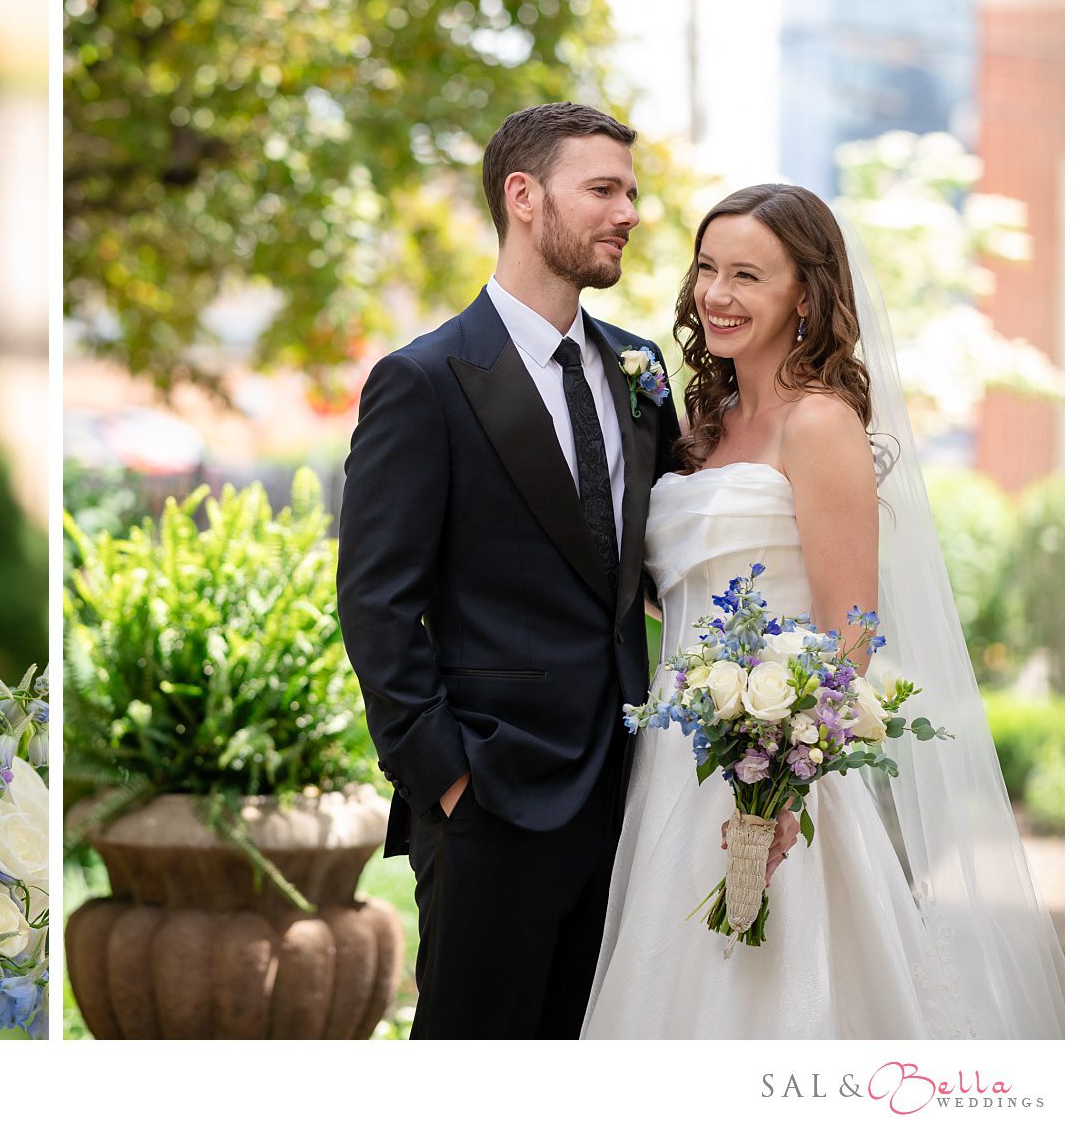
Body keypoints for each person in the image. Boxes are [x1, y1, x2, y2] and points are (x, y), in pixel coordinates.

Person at [582, 184, 1064, 1038]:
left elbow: (851, 629)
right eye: (706, 269)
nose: (716, 296)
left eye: (747, 276)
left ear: (804, 294)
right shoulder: (701, 427)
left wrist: (779, 786)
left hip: (771, 776)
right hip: (674, 759)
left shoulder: (821, 424)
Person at [336, 102, 682, 1038]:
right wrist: (445, 777)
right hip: (492, 795)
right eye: (603, 190)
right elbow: (374, 604)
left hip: (634, 794)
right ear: (524, 197)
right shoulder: (425, 380)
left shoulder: (642, 372)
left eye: (633, 195)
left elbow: (659, 563)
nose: (629, 214)